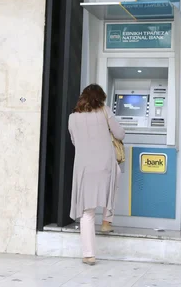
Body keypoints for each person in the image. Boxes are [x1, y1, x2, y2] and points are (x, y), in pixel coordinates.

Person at [68, 84, 125, 265]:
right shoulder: (104, 111)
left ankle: (88, 255)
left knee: (87, 211)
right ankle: (107, 220)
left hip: (84, 167)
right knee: (114, 180)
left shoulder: (72, 118)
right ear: (100, 98)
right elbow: (120, 134)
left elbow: (75, 141)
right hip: (105, 164)